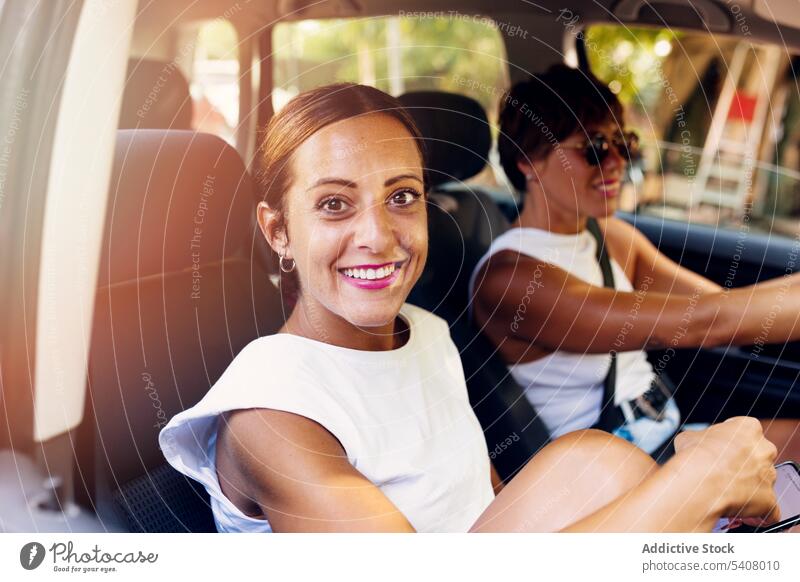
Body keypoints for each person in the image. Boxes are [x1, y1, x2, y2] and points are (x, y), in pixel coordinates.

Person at [159, 82, 780, 533]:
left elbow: (486, 509)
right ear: (278, 232)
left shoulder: (426, 332)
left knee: (600, 464)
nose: (377, 236)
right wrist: (688, 493)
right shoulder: (269, 416)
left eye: (402, 196)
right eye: (334, 205)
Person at [471, 64, 800, 465]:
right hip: (608, 476)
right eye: (594, 148)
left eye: (622, 143)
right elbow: (709, 323)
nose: (616, 162)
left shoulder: (610, 236)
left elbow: (727, 307)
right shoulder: (512, 280)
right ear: (528, 162)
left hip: (668, 436)